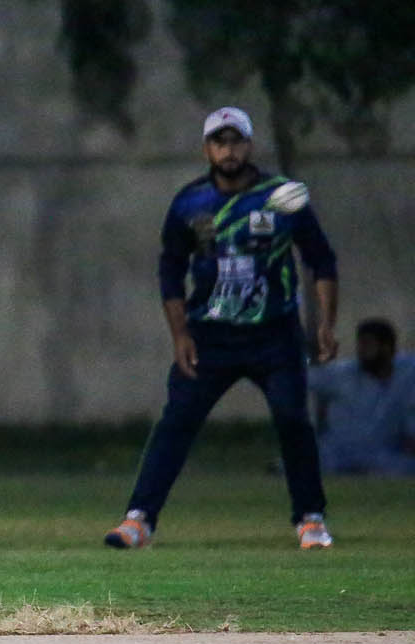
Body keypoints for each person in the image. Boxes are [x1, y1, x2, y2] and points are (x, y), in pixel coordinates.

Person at [105, 107, 340, 551]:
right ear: (207, 149)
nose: (228, 150)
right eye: (219, 142)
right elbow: (170, 271)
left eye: (235, 141)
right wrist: (180, 335)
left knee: (293, 420)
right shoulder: (190, 203)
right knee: (177, 422)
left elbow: (321, 260)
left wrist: (326, 324)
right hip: (211, 336)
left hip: (274, 334)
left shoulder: (279, 196)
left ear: (249, 145)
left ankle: (311, 519)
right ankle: (138, 519)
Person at [309, 318, 415, 475]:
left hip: (381, 455)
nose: (361, 351)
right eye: (360, 344)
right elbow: (304, 378)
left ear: (386, 348)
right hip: (337, 454)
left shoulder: (406, 373)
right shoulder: (343, 374)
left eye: (368, 345)